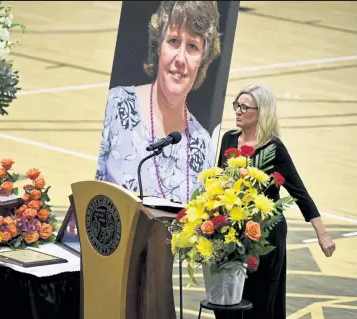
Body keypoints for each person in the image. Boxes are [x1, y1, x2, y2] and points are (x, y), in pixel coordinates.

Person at [214, 84, 336, 319]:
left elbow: (300, 192)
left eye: (244, 107)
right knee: (227, 301)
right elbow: (219, 183)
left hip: (265, 235)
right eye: (236, 106)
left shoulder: (274, 148)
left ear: (262, 112)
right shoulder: (229, 140)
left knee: (259, 302)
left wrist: (322, 234)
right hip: (232, 233)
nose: (238, 111)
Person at [96, 1, 221, 204]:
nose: (181, 58)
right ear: (158, 46)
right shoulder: (115, 106)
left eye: (192, 46)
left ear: (202, 59)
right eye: (173, 41)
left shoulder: (203, 144)